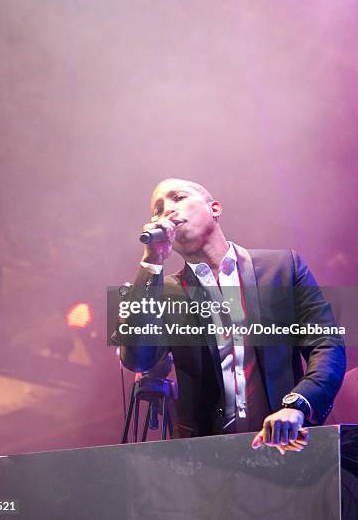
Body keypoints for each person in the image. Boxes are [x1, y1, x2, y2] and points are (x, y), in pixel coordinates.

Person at [119, 178, 346, 454]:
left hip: (287, 450)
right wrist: (151, 262)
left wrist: (297, 404)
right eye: (157, 209)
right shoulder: (164, 291)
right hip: (207, 462)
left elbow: (326, 345)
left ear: (215, 208)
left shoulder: (283, 268)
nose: (166, 210)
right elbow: (138, 358)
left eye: (177, 198)